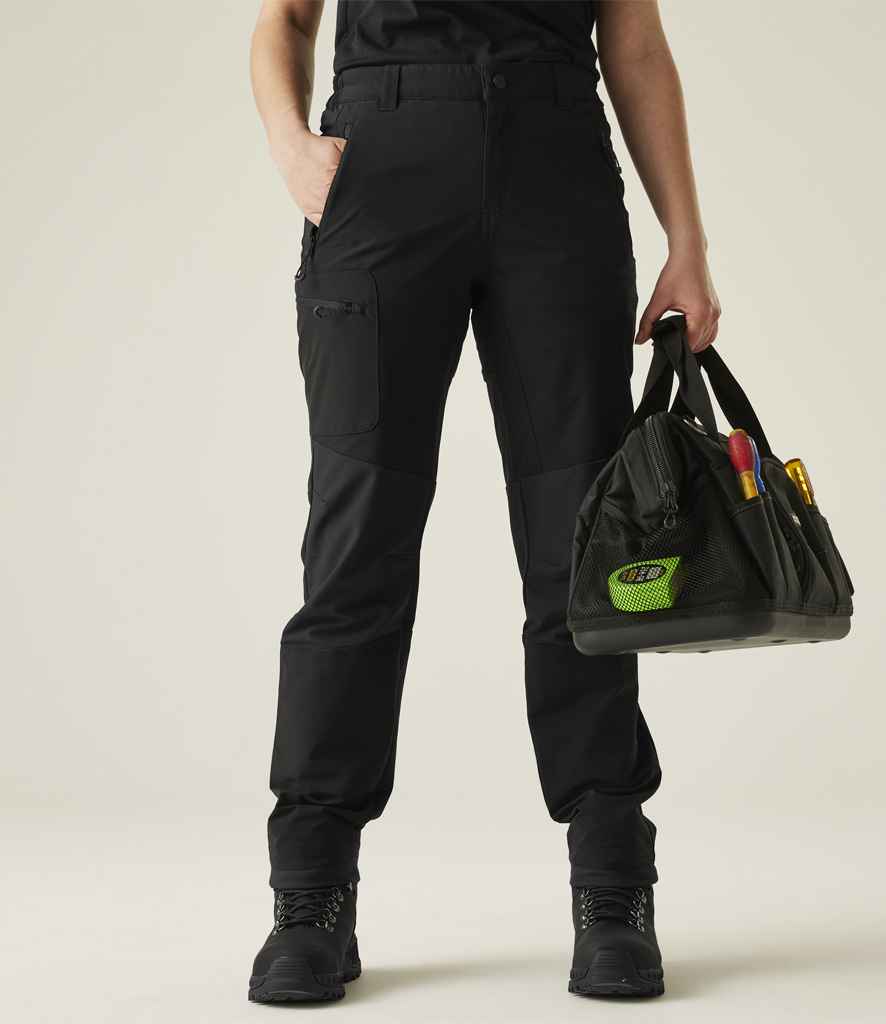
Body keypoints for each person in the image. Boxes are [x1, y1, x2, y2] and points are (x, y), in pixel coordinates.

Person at [248, 0, 720, 1003]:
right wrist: (290, 144)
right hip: (380, 175)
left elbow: (633, 41)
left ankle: (612, 886)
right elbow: (285, 18)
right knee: (355, 545)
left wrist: (686, 238)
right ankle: (311, 893)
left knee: (580, 553)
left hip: (556, 173)